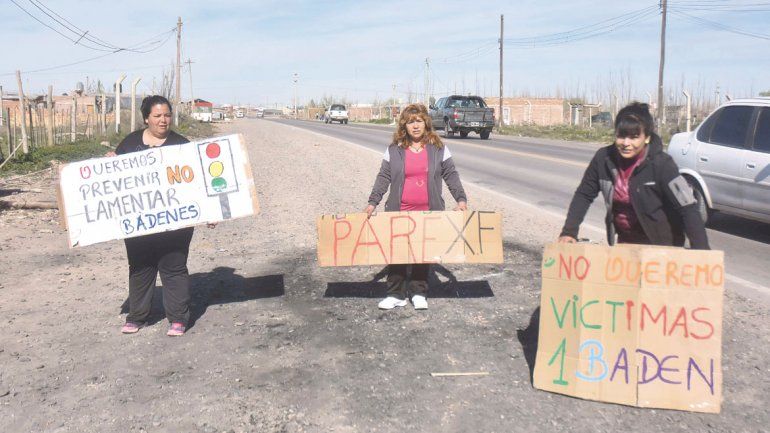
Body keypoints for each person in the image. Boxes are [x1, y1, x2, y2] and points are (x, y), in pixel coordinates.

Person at [106, 95, 199, 336]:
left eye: (167, 115)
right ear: (146, 118)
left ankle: (178, 318)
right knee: (140, 267)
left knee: (174, 267)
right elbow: (114, 182)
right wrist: (108, 165)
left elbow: (197, 183)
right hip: (139, 224)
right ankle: (137, 317)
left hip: (176, 224)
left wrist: (210, 211)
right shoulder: (129, 143)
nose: (163, 120)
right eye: (157, 116)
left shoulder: (182, 145)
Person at [559, 102, 709, 249]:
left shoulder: (662, 164)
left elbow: (687, 207)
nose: (626, 143)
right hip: (626, 243)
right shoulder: (603, 159)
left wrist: (702, 252)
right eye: (621, 136)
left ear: (647, 137)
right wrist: (569, 232)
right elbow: (584, 195)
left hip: (663, 246)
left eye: (634, 137)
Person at [365, 103, 468, 310]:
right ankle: (396, 294)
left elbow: (451, 175)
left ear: (426, 123)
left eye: (419, 121)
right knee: (397, 254)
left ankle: (419, 292)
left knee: (423, 253)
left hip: (429, 212)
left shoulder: (439, 149)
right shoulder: (394, 150)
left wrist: (461, 199)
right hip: (399, 211)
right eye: (411, 122)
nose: (415, 126)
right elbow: (384, 177)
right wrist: (372, 202)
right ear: (404, 125)